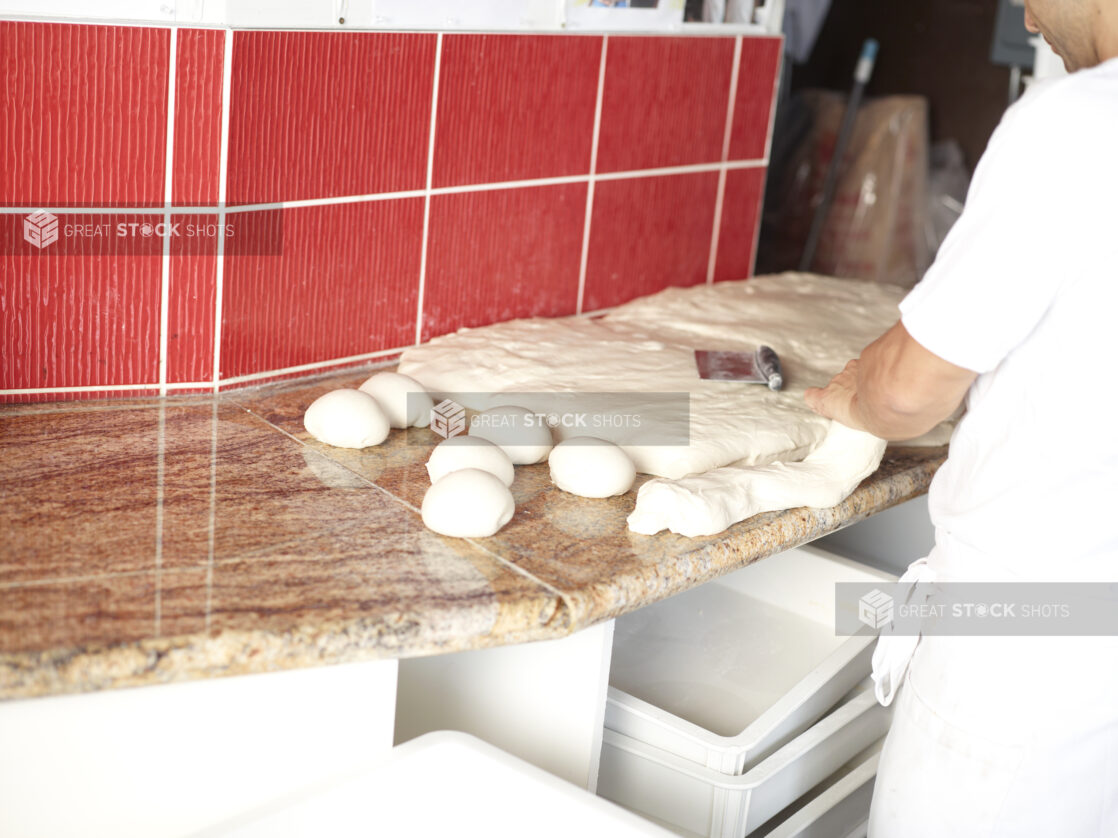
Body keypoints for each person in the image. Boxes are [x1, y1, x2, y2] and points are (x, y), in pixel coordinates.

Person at [804, 1, 1118, 834]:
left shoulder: (1080, 122)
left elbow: (908, 392)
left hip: (1029, 655)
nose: (1023, 10)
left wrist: (851, 392)